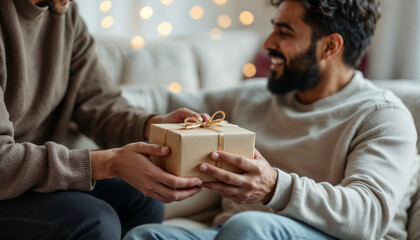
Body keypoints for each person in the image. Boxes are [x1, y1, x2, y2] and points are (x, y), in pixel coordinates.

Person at [122, 0, 419, 239]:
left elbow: (368, 217)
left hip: (317, 235)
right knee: (145, 235)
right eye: (273, 29)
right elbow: (162, 101)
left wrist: (274, 187)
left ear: (330, 47)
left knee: (248, 228)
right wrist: (92, 103)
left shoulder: (382, 117)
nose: (268, 42)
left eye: (285, 33)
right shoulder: (254, 98)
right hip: (231, 233)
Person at [0, 0, 206, 239]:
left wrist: (153, 125)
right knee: (94, 220)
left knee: (142, 199)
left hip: (28, 181)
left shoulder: (65, 14)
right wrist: (110, 163)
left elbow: (99, 101)